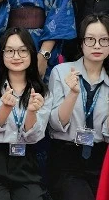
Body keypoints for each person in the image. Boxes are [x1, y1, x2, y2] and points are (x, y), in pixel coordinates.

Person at [0, 27, 52, 200]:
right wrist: (5, 108)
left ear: (32, 53)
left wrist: (32, 112)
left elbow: (35, 137)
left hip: (27, 163)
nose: (16, 56)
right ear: (2, 54)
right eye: (9, 51)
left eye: (22, 51)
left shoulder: (42, 91)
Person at [48, 14, 109, 200]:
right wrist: (73, 94)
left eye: (104, 40)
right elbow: (55, 125)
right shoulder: (61, 72)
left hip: (100, 160)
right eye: (90, 39)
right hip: (66, 158)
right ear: (81, 43)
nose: (97, 45)